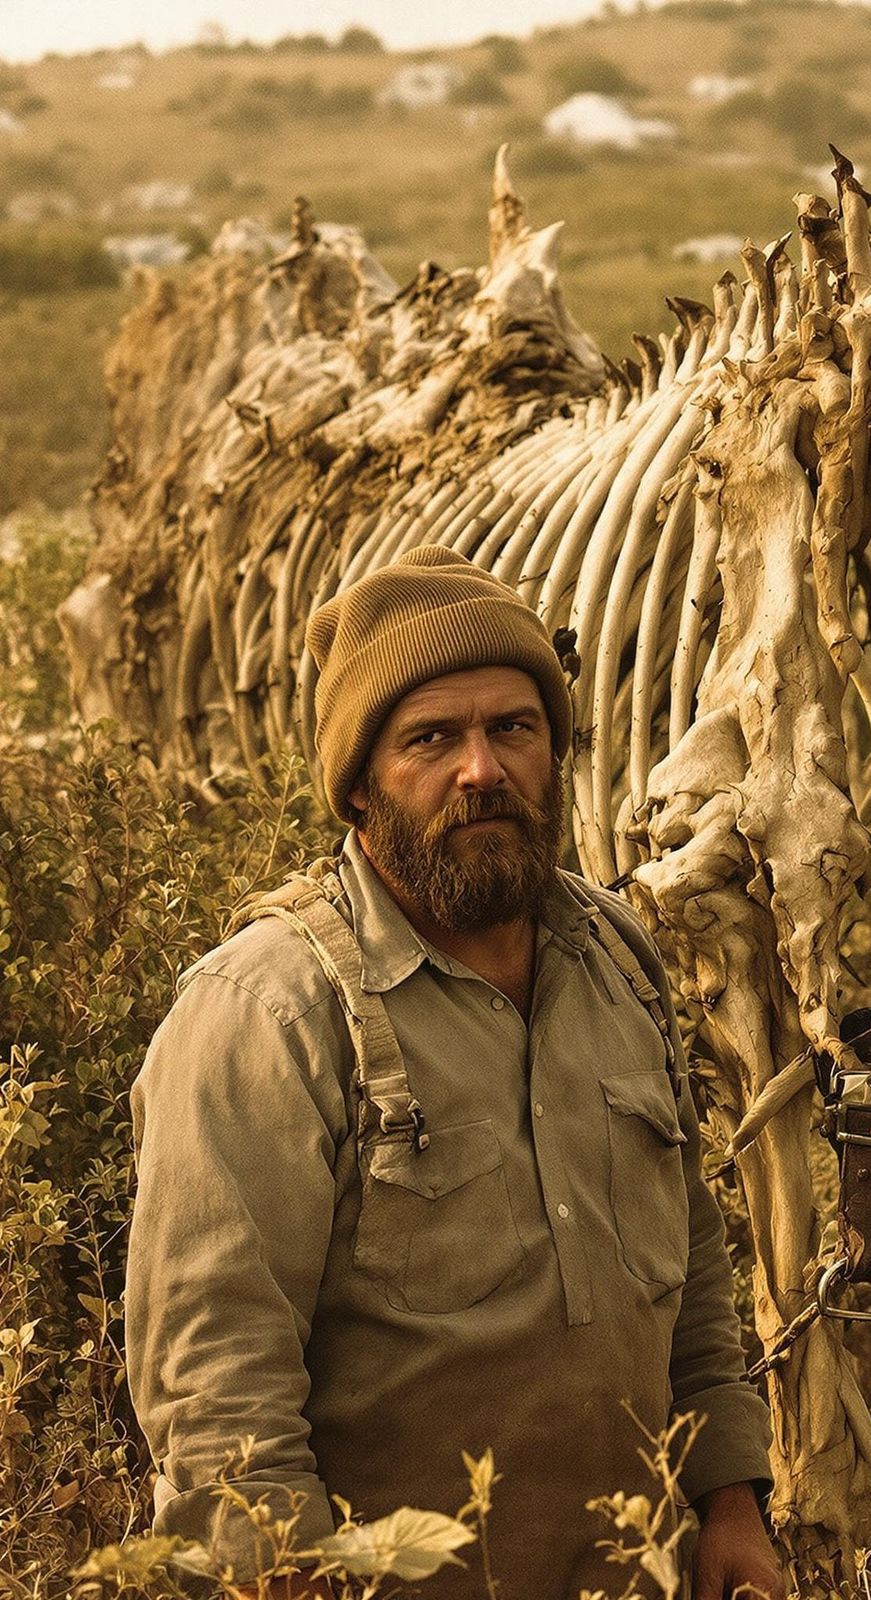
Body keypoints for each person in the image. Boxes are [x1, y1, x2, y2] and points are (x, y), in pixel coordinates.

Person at [124, 546, 785, 1600]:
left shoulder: (613, 951)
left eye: (512, 729)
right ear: (357, 788)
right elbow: (219, 1401)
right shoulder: (267, 1012)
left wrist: (730, 1499)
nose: (482, 770)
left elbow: (690, 1259)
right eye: (431, 738)